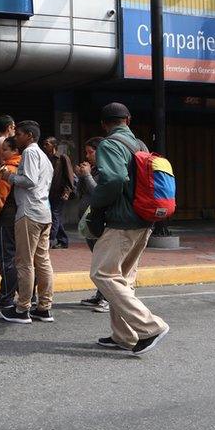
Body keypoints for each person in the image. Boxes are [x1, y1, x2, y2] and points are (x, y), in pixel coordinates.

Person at [89, 102, 170, 355]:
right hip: (144, 219)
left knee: (102, 275)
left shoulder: (109, 144)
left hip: (121, 222)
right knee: (123, 278)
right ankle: (124, 336)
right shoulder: (141, 145)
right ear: (128, 120)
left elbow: (113, 179)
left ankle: (150, 327)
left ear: (104, 124)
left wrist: (96, 205)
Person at [0, 120, 55, 324]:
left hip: (29, 212)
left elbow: (29, 181)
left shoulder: (30, 153)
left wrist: (9, 176)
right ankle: (44, 307)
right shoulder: (44, 156)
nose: (16, 137)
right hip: (43, 212)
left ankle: (23, 308)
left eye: (20, 134)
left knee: (24, 261)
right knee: (42, 260)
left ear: (30, 136)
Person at [0, 137, 22, 308]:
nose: (0, 153)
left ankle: (6, 296)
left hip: (6, 217)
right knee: (22, 258)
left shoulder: (6, 170)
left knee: (6, 257)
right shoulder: (24, 167)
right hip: (22, 217)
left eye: (5, 149)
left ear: (15, 151)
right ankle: (27, 294)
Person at [76, 136, 109, 312]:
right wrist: (80, 176)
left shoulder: (105, 170)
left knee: (104, 261)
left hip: (99, 221)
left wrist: (87, 175)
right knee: (97, 260)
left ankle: (108, 298)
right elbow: (79, 192)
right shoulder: (94, 169)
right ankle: (100, 294)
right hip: (88, 222)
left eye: (91, 152)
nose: (88, 156)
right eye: (86, 152)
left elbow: (98, 192)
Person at [43, 136, 75, 249]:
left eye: (47, 144)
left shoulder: (62, 158)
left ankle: (50, 239)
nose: (45, 146)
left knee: (54, 215)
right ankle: (63, 240)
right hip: (48, 192)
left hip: (59, 192)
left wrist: (67, 191)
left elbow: (69, 175)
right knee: (56, 216)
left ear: (54, 145)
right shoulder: (46, 158)